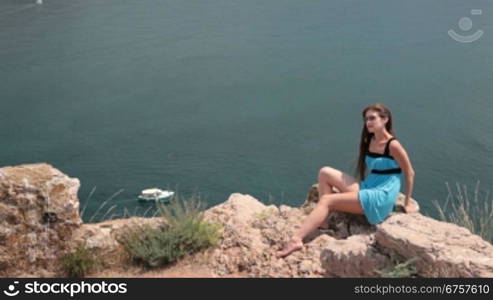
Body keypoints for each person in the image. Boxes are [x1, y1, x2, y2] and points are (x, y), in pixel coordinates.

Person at [275, 103, 418, 258]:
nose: (368, 122)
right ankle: (323, 222)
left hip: (380, 196)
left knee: (326, 200)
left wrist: (407, 203)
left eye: (372, 118)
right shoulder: (370, 141)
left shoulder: (393, 145)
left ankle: (296, 240)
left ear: (385, 119)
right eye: (366, 119)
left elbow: (409, 173)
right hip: (368, 187)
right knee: (325, 172)